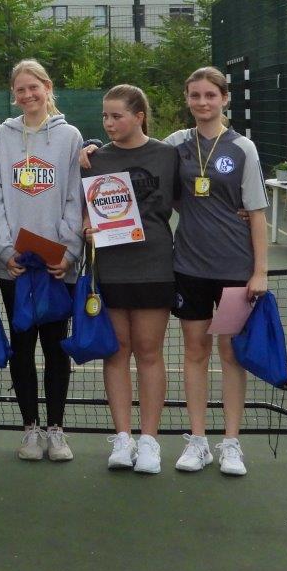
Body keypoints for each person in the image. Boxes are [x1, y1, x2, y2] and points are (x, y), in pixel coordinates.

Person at [166, 66, 268, 477]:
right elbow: (138, 154)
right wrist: (91, 147)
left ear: (225, 98)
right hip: (189, 267)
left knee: (229, 354)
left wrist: (260, 271)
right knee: (195, 352)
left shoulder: (243, 148)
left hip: (234, 271)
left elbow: (256, 213)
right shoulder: (176, 144)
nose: (202, 102)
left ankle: (231, 443)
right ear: (187, 99)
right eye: (195, 95)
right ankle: (197, 440)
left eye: (210, 95)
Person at [0, 59, 84, 462]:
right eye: (20, 89)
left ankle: (55, 429)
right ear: (14, 93)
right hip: (16, 266)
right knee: (22, 347)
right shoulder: (1, 136)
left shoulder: (69, 136)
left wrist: (68, 252)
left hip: (57, 266)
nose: (27, 95)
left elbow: (75, 197)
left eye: (33, 87)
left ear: (47, 87)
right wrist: (5, 251)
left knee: (57, 349)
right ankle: (30, 429)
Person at [81, 85, 179, 474]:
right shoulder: (94, 159)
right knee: (116, 352)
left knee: (149, 352)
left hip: (155, 266)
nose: (109, 123)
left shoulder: (167, 155)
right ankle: (122, 439)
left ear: (139, 117)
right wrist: (86, 228)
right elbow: (84, 212)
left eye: (116, 116)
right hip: (110, 268)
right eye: (105, 116)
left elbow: (189, 200)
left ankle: (149, 441)